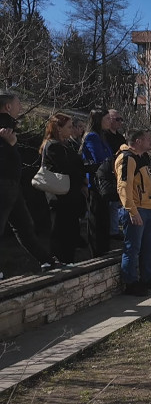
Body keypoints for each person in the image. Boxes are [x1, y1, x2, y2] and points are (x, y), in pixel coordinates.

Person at [0, 90, 54, 274]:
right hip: (4, 183)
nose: (21, 107)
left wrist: (13, 144)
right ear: (8, 107)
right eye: (17, 104)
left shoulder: (9, 126)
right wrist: (11, 143)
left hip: (12, 185)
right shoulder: (4, 125)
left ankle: (47, 260)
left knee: (24, 227)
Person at [116, 130, 151, 296]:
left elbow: (148, 183)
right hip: (137, 209)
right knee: (132, 248)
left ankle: (147, 278)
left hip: (149, 208)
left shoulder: (143, 158)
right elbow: (123, 187)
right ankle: (131, 282)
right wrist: (132, 211)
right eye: (148, 139)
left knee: (148, 247)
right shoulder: (127, 158)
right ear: (138, 141)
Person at [40, 113, 88, 265]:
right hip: (59, 196)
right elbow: (67, 168)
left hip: (68, 196)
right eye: (68, 127)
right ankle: (59, 261)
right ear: (58, 129)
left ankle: (68, 259)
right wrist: (81, 176)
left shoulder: (65, 145)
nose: (71, 129)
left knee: (70, 230)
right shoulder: (53, 146)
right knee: (60, 231)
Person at [80, 108, 114, 255]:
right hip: (95, 183)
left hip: (104, 182)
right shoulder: (92, 137)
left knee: (104, 217)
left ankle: (104, 247)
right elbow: (100, 158)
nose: (110, 121)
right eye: (107, 119)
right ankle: (97, 250)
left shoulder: (102, 136)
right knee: (96, 217)